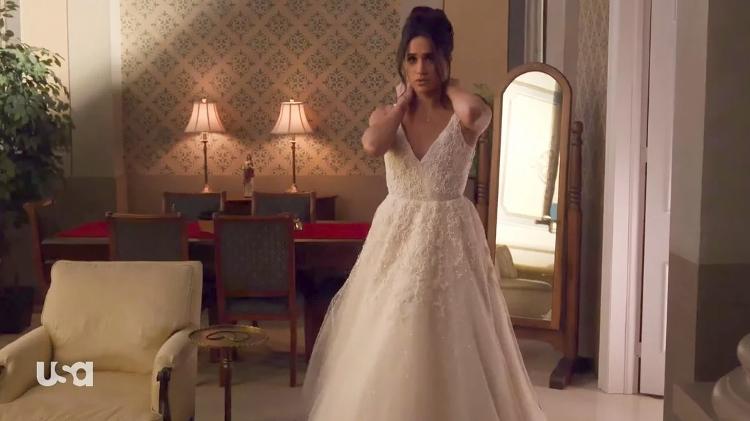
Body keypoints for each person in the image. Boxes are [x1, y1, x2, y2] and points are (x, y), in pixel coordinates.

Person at [302, 6, 547, 421]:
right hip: (396, 239)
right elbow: (373, 145)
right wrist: (402, 105)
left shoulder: (463, 114)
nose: (420, 69)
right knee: (390, 332)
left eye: (430, 58)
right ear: (402, 62)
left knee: (451, 334)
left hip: (449, 237)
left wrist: (451, 87)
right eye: (412, 59)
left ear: (446, 59)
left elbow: (476, 114)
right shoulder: (387, 116)